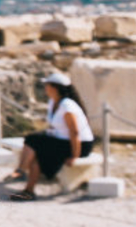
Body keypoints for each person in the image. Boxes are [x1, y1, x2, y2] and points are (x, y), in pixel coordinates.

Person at [6, 72, 96, 201]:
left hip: (79, 145)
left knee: (34, 141)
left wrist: (74, 156)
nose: (45, 87)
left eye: (47, 85)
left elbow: (74, 132)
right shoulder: (53, 102)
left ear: (55, 87)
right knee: (33, 141)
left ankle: (21, 171)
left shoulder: (67, 106)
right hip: (63, 141)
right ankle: (28, 189)